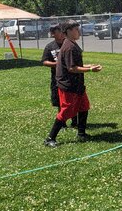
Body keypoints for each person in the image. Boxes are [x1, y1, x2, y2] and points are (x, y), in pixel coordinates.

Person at [44, 20, 102, 148]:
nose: (78, 31)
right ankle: (50, 138)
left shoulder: (71, 43)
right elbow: (72, 68)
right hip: (68, 85)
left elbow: (75, 65)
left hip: (77, 84)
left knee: (84, 106)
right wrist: (91, 69)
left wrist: (88, 65)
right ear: (68, 31)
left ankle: (81, 133)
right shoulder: (69, 47)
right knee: (66, 111)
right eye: (76, 29)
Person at [41, 25, 76, 128]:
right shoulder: (50, 47)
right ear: (53, 34)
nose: (62, 34)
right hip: (57, 78)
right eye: (59, 32)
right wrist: (57, 64)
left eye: (62, 31)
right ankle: (62, 123)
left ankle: (75, 121)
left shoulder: (69, 44)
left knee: (73, 100)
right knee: (61, 102)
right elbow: (44, 61)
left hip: (71, 77)